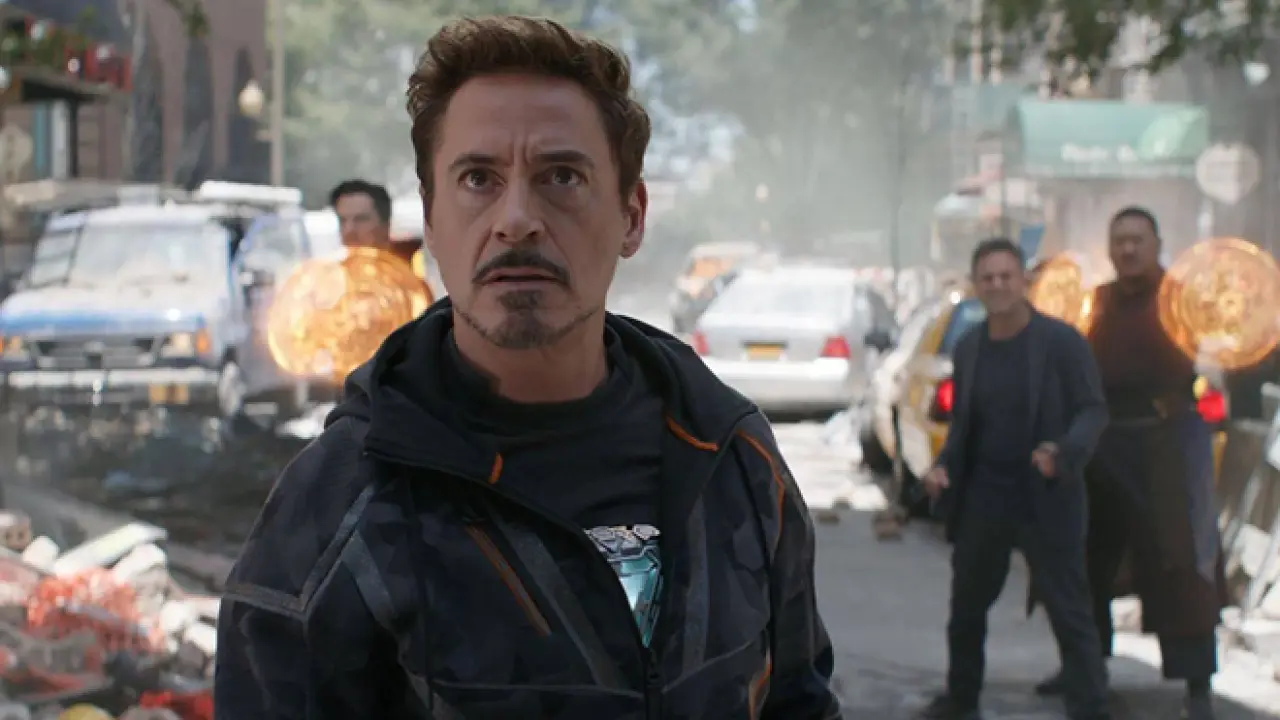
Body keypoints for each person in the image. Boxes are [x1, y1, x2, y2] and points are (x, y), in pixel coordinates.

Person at [213, 16, 841, 720]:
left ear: (631, 216)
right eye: (478, 178)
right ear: (431, 220)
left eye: (562, 177)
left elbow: (799, 699)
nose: (516, 219)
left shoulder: (732, 458)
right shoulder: (336, 510)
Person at [1033, 206, 1226, 720]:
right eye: (1119, 240)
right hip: (1102, 441)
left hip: (1168, 442)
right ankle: (1084, 667)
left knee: (1184, 561)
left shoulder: (1186, 302)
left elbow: (1230, 344)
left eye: (1137, 239)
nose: (1128, 249)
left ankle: (1197, 685)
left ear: (1156, 244)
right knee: (1085, 555)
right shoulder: (1094, 304)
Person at [916, 238, 1112, 720]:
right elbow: (964, 426)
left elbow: (1092, 410)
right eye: (988, 278)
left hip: (1046, 490)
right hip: (986, 494)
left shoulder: (1061, 342)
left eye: (1006, 276)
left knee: (1068, 607)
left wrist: (1063, 453)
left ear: (1024, 281)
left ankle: (1089, 706)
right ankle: (961, 699)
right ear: (976, 285)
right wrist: (944, 466)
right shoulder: (970, 348)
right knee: (967, 607)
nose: (998, 285)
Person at [330, 178, 421, 265]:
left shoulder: (414, 267)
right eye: (342, 220)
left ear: (386, 225)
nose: (349, 230)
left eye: (361, 219)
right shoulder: (331, 272)